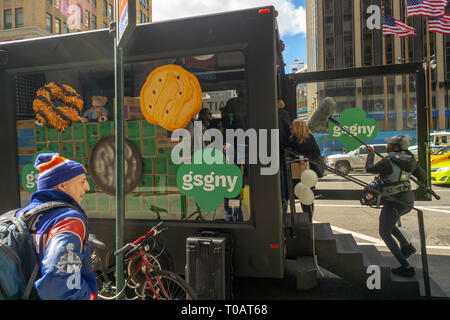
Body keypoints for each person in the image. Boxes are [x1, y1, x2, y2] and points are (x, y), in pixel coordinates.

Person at [15, 153, 98, 299]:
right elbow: (57, 283)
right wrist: (86, 296)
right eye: (82, 181)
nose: (87, 187)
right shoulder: (68, 219)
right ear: (62, 185)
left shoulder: (21, 215)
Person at [365, 135, 426, 278]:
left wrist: (371, 154)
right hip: (408, 202)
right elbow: (424, 177)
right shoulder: (410, 160)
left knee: (384, 232)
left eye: (390, 145)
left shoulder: (388, 161)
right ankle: (406, 246)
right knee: (390, 224)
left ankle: (407, 267)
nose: (388, 147)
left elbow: (369, 169)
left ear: (396, 147)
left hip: (394, 202)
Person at [287, 119, 322, 222]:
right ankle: (304, 220)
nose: (290, 127)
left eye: (293, 125)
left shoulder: (309, 138)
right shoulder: (291, 139)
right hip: (296, 171)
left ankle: (308, 219)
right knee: (299, 194)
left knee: (306, 196)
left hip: (306, 172)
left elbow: (316, 153)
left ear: (298, 127)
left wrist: (305, 158)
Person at [278, 99, 292, 213]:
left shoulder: (280, 113)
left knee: (280, 173)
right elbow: (288, 129)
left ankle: (282, 198)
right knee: (281, 173)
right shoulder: (283, 114)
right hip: (281, 146)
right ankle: (282, 199)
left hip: (276, 146)